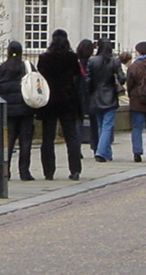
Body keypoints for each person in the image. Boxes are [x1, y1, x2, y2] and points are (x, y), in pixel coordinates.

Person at [36, 29, 85, 181]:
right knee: (71, 137)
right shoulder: (72, 57)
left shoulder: (44, 58)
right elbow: (77, 74)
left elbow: (40, 75)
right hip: (68, 98)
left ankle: (49, 171)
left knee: (48, 138)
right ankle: (75, 169)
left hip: (49, 100)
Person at [0, 41, 35, 181]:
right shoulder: (27, 67)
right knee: (25, 141)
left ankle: (6, 170)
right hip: (26, 109)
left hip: (8, 110)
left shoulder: (2, 68)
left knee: (8, 142)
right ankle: (24, 171)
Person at [86, 39, 121, 161]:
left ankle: (106, 153)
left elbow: (88, 81)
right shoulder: (114, 61)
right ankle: (101, 152)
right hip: (110, 97)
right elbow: (122, 78)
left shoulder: (92, 61)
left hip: (96, 97)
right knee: (107, 126)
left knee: (101, 125)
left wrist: (90, 94)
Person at [75, 38, 96, 156]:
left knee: (78, 122)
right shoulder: (92, 62)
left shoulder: (76, 62)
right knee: (94, 122)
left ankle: (77, 149)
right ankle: (95, 146)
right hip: (90, 94)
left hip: (78, 95)